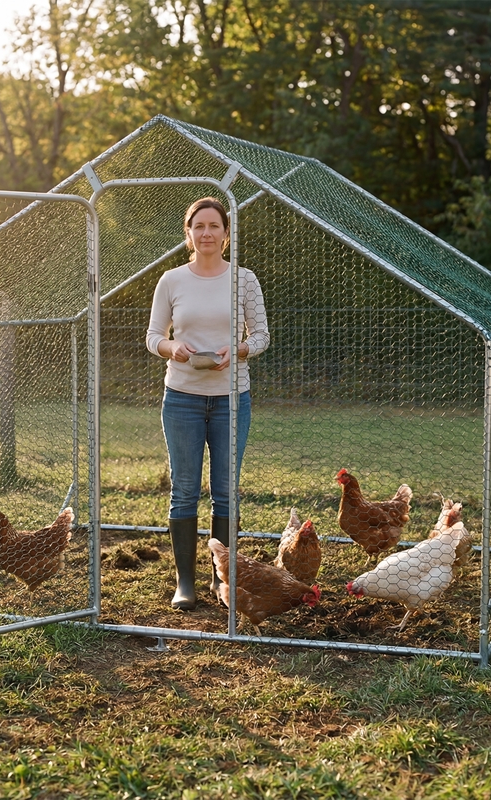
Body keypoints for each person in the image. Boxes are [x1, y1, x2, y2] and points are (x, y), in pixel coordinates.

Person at [146, 196, 270, 610]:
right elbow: (152, 337)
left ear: (227, 234)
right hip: (181, 399)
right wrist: (172, 347)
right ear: (188, 234)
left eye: (214, 226)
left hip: (232, 400)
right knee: (183, 492)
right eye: (198, 226)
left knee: (225, 493)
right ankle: (185, 583)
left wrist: (238, 350)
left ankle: (222, 580)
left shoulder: (244, 280)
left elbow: (262, 336)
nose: (206, 233)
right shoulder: (171, 281)